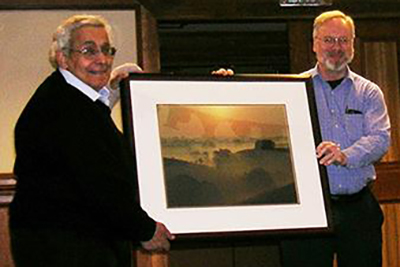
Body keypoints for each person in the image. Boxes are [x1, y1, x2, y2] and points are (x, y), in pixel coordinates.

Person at [213, 10, 390, 267]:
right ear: (315, 44)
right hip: (306, 210)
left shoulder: (369, 92)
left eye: (343, 40)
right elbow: (251, 114)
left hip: (358, 209)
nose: (336, 47)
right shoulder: (291, 89)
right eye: (329, 40)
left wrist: (345, 155)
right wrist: (225, 88)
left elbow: (380, 138)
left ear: (353, 44)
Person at [9, 14, 174, 267]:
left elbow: (86, 139)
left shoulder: (63, 97)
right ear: (63, 57)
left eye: (107, 50)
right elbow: (99, 182)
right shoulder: (66, 109)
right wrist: (145, 229)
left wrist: (113, 92)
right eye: (89, 50)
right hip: (70, 249)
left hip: (65, 244)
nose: (102, 59)